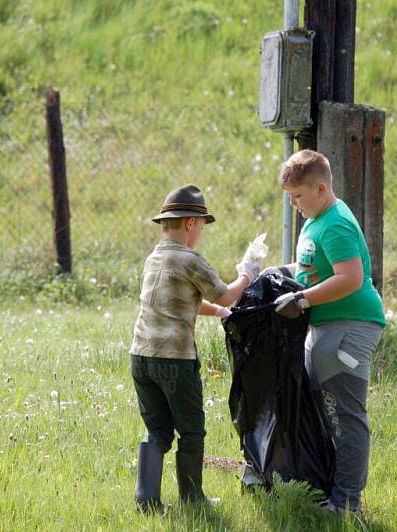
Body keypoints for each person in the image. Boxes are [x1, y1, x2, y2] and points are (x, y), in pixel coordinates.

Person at [130, 183, 262, 512]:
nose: (200, 232)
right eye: (201, 225)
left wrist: (216, 312)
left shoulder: (155, 257)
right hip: (175, 360)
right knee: (191, 430)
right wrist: (247, 273)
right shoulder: (190, 258)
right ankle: (192, 498)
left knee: (157, 430)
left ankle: (146, 500)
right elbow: (226, 294)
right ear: (190, 223)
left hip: (141, 357)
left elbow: (181, 300)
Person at [271, 150, 386, 516]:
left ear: (321, 188)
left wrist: (302, 300)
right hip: (326, 328)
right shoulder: (314, 220)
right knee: (325, 413)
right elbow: (310, 269)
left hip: (350, 327)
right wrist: (274, 273)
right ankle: (330, 490)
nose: (294, 204)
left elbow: (350, 278)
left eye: (298, 196)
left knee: (347, 416)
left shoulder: (334, 223)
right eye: (290, 198)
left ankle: (347, 503)